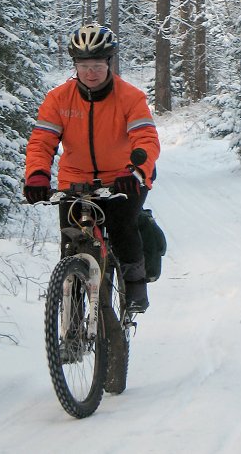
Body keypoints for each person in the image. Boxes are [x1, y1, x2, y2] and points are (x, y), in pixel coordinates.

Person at [23, 22, 160, 312]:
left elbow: (145, 139)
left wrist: (135, 171)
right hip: (75, 180)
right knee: (70, 243)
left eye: (97, 64)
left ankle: (135, 286)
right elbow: (42, 142)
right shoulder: (58, 99)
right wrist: (37, 174)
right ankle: (71, 319)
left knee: (123, 227)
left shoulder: (130, 97)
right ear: (75, 66)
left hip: (124, 177)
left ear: (109, 63)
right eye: (84, 65)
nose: (91, 72)